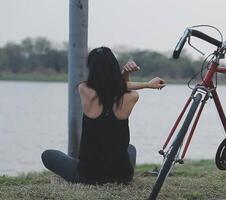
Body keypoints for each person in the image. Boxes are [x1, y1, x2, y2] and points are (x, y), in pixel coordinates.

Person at [41, 47, 166, 184]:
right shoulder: (132, 97)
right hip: (122, 177)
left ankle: (85, 165)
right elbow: (119, 87)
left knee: (47, 155)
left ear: (91, 69)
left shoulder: (85, 90)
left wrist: (134, 80)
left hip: (88, 175)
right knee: (130, 148)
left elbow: (111, 87)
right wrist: (146, 84)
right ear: (114, 68)